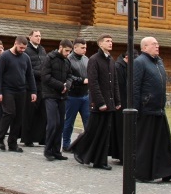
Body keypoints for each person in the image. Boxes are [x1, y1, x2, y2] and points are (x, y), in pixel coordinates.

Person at [133, 37, 171, 182]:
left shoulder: (159, 62)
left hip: (159, 108)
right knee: (145, 144)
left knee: (164, 144)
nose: (157, 46)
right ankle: (142, 173)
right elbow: (134, 87)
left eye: (157, 44)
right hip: (146, 109)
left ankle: (167, 171)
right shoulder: (139, 62)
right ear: (144, 47)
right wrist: (136, 109)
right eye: (154, 44)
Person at [72, 34, 121, 170]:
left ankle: (99, 160)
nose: (110, 43)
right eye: (107, 41)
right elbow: (93, 83)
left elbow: (115, 82)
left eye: (111, 41)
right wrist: (100, 102)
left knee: (105, 132)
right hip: (99, 104)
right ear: (100, 44)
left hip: (109, 103)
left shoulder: (111, 60)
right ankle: (81, 151)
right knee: (94, 130)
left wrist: (117, 100)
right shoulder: (94, 60)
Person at [0, 36, 37, 152]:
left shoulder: (26, 58)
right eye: (21, 47)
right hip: (7, 89)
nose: (22, 50)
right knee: (9, 113)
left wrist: (33, 91)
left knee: (18, 117)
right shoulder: (4, 56)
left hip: (21, 90)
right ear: (15, 44)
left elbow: (30, 75)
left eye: (24, 48)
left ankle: (12, 143)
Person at [42, 39, 73, 161]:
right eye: (66, 51)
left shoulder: (67, 61)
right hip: (50, 95)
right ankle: (48, 150)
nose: (67, 53)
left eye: (69, 51)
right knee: (53, 123)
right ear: (60, 47)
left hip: (62, 96)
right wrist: (61, 86)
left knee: (60, 124)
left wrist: (68, 85)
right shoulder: (49, 58)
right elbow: (45, 77)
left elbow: (70, 75)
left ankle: (56, 151)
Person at [63, 38, 89, 152]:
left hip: (85, 95)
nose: (85, 50)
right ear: (75, 47)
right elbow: (67, 76)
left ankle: (87, 144)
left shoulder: (86, 59)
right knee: (69, 122)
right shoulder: (68, 59)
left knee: (88, 122)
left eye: (85, 48)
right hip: (72, 95)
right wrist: (81, 80)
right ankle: (66, 144)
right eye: (82, 48)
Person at [22, 30, 47, 147]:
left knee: (43, 113)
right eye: (36, 36)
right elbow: (26, 69)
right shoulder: (26, 50)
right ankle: (28, 138)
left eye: (40, 36)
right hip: (30, 86)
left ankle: (42, 138)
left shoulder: (42, 50)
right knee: (30, 113)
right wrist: (40, 74)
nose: (38, 38)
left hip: (42, 86)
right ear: (30, 37)